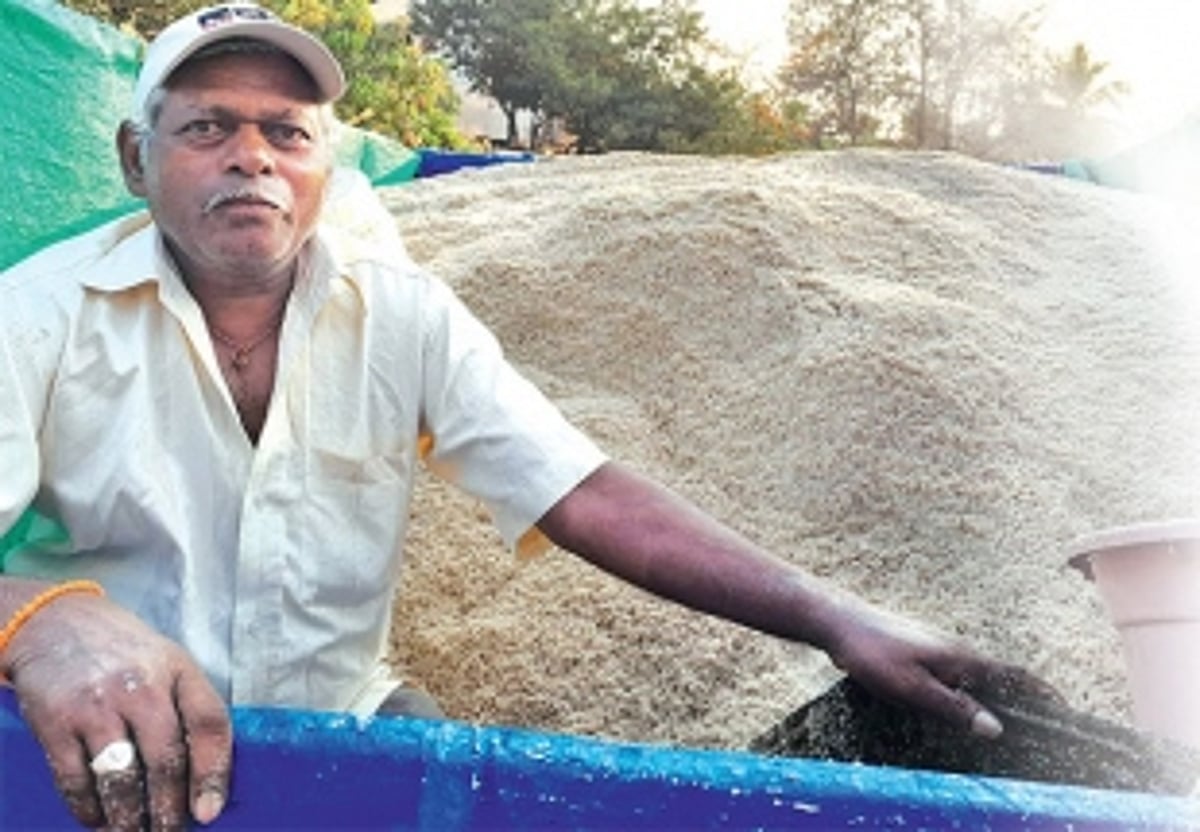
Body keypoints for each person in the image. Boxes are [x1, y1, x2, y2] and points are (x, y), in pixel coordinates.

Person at [0, 4, 1047, 829]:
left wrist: (832, 613)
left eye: (286, 132)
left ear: (324, 166)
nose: (251, 157)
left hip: (346, 714)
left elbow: (581, 491)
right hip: (107, 730)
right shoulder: (36, 317)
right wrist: (40, 620)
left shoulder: (403, 317)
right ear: (137, 161)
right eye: (206, 128)